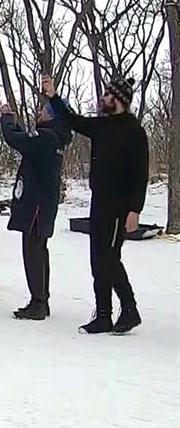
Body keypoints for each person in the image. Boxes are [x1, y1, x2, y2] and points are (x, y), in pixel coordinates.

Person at [42, 74, 149, 334]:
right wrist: (53, 97)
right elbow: (72, 120)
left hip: (120, 205)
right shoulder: (102, 126)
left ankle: (130, 309)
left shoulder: (134, 132)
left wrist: (135, 210)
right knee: (96, 259)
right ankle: (103, 315)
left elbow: (140, 175)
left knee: (109, 259)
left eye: (107, 95)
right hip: (99, 202)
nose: (102, 99)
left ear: (119, 100)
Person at [0, 101, 71, 320]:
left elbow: (16, 139)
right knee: (39, 250)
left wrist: (7, 118)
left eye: (44, 110)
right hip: (44, 203)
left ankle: (38, 301)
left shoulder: (47, 138)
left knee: (32, 251)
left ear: (52, 116)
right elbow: (27, 142)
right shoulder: (54, 138)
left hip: (36, 205)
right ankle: (41, 299)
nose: (39, 112)